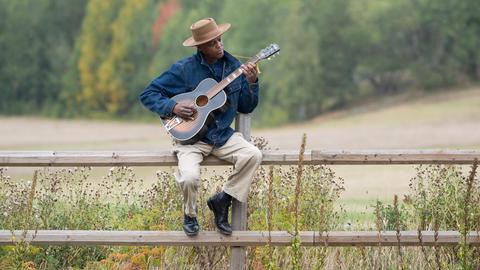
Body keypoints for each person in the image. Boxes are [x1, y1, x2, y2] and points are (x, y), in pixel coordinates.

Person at [139, 18, 262, 236]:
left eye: (220, 40)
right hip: (191, 139)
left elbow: (247, 106)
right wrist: (173, 106)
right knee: (189, 177)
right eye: (213, 43)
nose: (220, 45)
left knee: (253, 155)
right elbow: (148, 94)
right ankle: (190, 215)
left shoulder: (234, 68)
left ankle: (222, 200)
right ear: (201, 48)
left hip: (222, 135)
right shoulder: (184, 69)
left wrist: (252, 83)